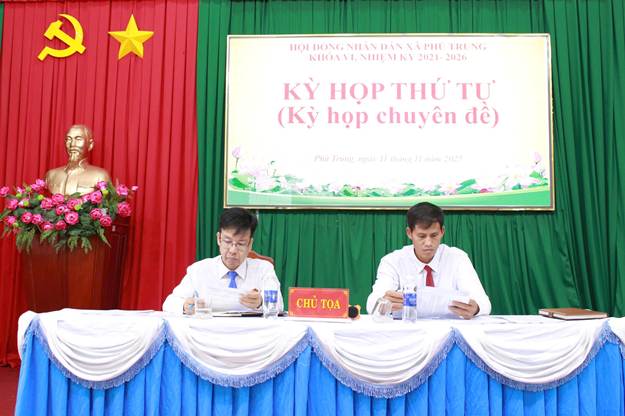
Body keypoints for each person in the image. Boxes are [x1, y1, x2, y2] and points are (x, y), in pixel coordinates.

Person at [366, 202, 491, 319]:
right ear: (409, 233)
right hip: (408, 330)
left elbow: (484, 303)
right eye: (421, 236)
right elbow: (371, 306)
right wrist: (384, 303)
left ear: (442, 232)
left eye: (434, 235)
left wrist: (476, 308)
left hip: (448, 330)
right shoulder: (392, 261)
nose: (428, 243)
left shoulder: (457, 258)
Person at [162, 207, 284, 314]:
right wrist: (185, 306)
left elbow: (279, 305)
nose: (233, 250)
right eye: (227, 241)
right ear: (219, 239)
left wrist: (261, 301)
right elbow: (170, 303)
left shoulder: (263, 269)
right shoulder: (199, 270)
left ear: (250, 244)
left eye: (241, 244)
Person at [45, 124, 112, 195]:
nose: (72, 144)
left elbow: (108, 200)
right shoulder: (51, 175)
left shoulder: (100, 176)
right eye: (69, 139)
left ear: (90, 145)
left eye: (78, 139)